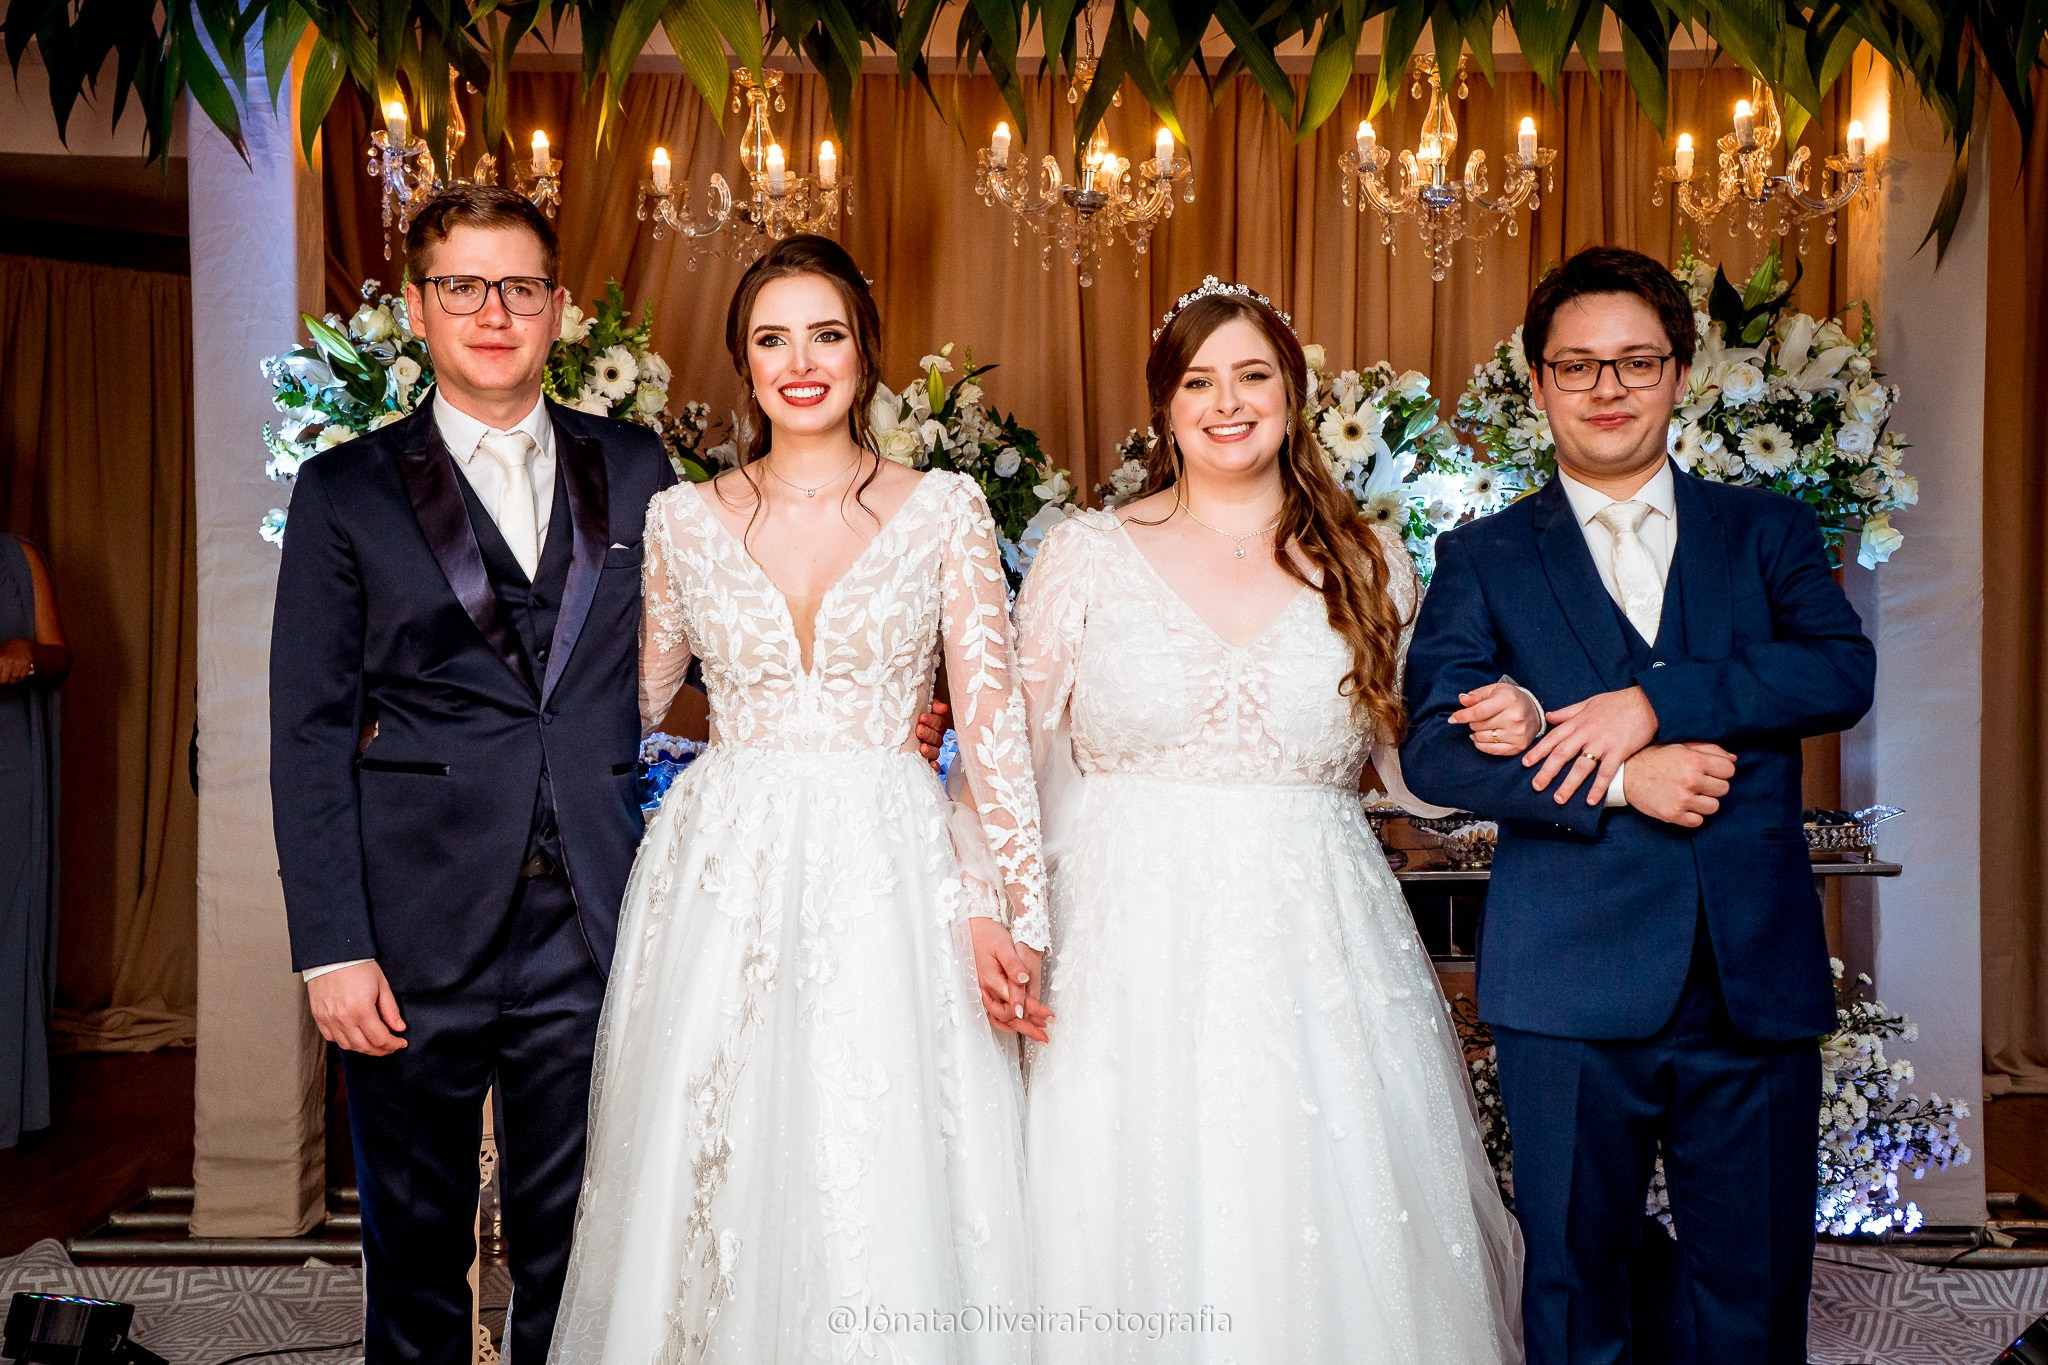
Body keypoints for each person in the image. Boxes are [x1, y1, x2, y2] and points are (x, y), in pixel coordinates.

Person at [549, 235, 1048, 1363]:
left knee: (877, 1149)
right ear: (743, 361)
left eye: (825, 334)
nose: (800, 361)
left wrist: (1007, 912)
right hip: (725, 861)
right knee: (716, 1137)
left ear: (864, 352)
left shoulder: (944, 510)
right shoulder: (681, 519)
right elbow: (625, 702)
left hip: (892, 856)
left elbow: (997, 734)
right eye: (773, 339)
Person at [1014, 278, 1525, 1361]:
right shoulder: (1084, 552)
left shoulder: (1369, 558)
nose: (1227, 402)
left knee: (1307, 1193)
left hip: (1313, 935)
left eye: (1252, 376)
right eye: (1198, 381)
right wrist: (994, 907)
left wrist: (1507, 725)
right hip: (1123, 930)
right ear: (1163, 407)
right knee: (1123, 1187)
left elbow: (1406, 770)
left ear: (1292, 394)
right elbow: (1007, 759)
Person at [1399, 246, 1876, 1364]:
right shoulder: (1477, 555)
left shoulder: (1766, 531)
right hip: (1565, 980)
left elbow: (1837, 675)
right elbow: (1434, 751)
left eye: (1633, 362)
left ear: (1678, 374)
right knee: (1572, 1294)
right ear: (1536, 383)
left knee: (1751, 1297)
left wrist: (1647, 703)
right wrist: (1617, 776)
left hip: (1747, 979)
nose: (1605, 389)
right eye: (1576, 367)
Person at [270, 185, 682, 1362]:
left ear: (558, 310)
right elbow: (307, 727)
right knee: (414, 1249)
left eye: (517, 287)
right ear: (417, 307)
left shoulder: (641, 467)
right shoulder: (345, 488)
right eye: (462, 286)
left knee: (581, 1244)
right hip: (407, 929)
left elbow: (707, 647)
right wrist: (331, 946)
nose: (491, 312)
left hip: (592, 916)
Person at [1, 532, 69, 1151]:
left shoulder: (17, 557)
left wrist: (26, 652)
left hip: (9, 761)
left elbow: (59, 657)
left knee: (9, 918)